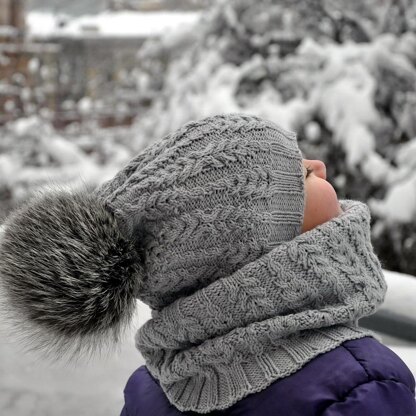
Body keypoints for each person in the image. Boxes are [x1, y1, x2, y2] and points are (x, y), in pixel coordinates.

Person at [0, 114, 414, 416]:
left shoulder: (156, 387)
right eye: (301, 174)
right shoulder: (362, 385)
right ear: (257, 247)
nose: (319, 166)